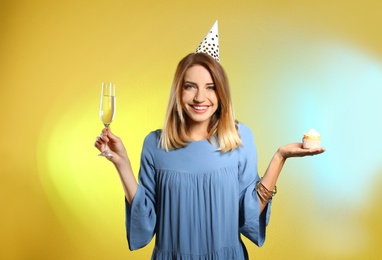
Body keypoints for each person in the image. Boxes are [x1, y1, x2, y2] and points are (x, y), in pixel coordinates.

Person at [94, 22, 325, 259]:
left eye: (211, 87)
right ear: (178, 92)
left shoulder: (239, 138)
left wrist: (279, 157)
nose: (200, 97)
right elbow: (145, 223)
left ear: (221, 93)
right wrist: (121, 165)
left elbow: (249, 215)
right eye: (190, 87)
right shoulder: (155, 144)